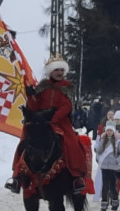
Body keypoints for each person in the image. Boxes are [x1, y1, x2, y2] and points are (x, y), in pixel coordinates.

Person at [18, 55, 89, 194]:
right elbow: (34, 106)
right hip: (40, 120)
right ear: (51, 71)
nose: (59, 73)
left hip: (60, 121)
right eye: (57, 70)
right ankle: (17, 175)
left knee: (72, 144)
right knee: (24, 141)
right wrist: (31, 96)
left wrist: (54, 118)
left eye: (62, 70)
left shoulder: (68, 87)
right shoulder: (42, 86)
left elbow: (67, 106)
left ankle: (76, 177)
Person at [94, 121, 120, 211]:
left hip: (114, 167)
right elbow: (98, 151)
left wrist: (117, 160)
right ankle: (104, 204)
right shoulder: (102, 140)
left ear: (113, 131)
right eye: (107, 130)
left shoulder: (117, 141)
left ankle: (115, 202)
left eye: (110, 131)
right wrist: (100, 159)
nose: (109, 132)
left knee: (113, 186)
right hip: (104, 167)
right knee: (104, 186)